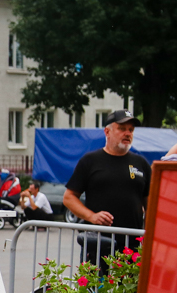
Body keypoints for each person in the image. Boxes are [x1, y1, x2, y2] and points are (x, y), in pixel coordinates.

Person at [64, 109, 151, 262]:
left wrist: (150, 236)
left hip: (132, 247)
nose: (127, 133)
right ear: (107, 132)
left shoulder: (141, 163)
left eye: (131, 130)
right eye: (122, 128)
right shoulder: (90, 161)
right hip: (98, 244)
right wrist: (92, 216)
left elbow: (150, 205)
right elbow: (69, 198)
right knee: (97, 279)